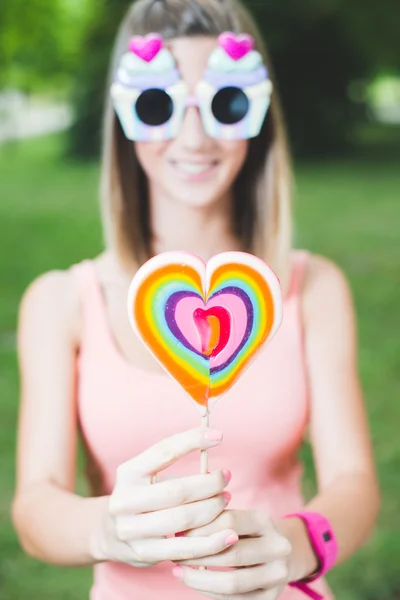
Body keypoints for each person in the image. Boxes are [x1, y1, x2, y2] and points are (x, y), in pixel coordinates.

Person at [12, 1, 380, 599]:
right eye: (157, 104)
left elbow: (355, 481)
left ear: (258, 113)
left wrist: (296, 544)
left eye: (225, 103)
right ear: (122, 118)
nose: (194, 137)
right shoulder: (62, 303)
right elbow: (35, 505)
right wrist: (106, 528)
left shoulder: (314, 288)